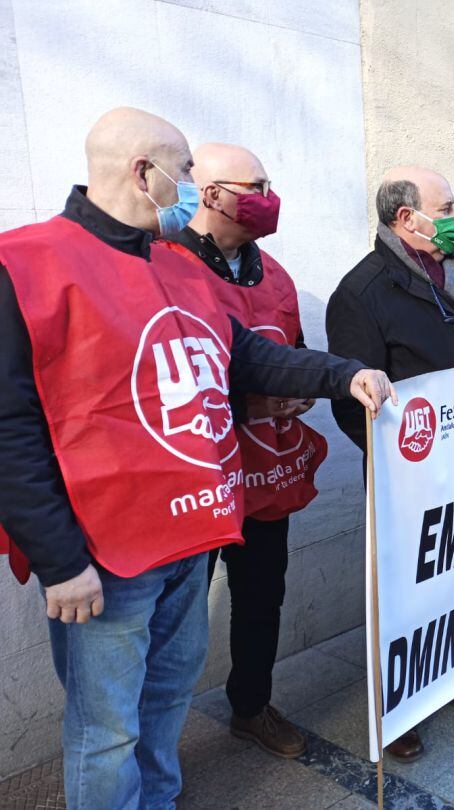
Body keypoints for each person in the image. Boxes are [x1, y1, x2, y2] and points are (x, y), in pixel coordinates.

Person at [0, 107, 395, 810]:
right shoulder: (25, 264)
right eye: (184, 173)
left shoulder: (176, 267)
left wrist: (341, 374)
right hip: (104, 556)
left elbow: (244, 351)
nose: (191, 188)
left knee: (165, 708)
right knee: (107, 730)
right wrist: (59, 562)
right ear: (143, 172)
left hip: (192, 533)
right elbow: (10, 429)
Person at [326, 165, 454, 763]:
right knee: (404, 592)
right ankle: (398, 706)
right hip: (409, 475)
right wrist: (403, 453)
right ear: (407, 218)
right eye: (447, 205)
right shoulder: (361, 292)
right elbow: (348, 397)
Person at [164, 142, 319, 759]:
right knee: (175, 620)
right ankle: (155, 748)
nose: (268, 196)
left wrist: (301, 392)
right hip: (195, 479)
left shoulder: (273, 271)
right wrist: (242, 405)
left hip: (267, 472)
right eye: (255, 185)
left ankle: (251, 706)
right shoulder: (164, 266)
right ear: (211, 194)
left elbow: (293, 350)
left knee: (262, 596)